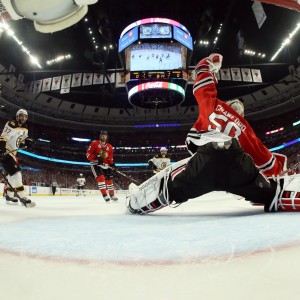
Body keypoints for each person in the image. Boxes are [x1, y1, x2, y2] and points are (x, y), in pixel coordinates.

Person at [127, 53, 299, 214]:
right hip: (236, 166)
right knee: (271, 193)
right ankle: (278, 194)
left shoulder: (214, 105)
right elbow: (265, 161)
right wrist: (275, 172)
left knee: (172, 187)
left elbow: (201, 83)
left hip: (206, 162)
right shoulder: (245, 129)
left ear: (227, 104)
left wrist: (209, 64)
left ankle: (137, 203)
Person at [0, 109, 35, 207]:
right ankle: (22, 196)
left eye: (25, 116)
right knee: (16, 174)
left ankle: (9, 196)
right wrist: (1, 150)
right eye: (21, 115)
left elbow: (22, 140)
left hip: (12, 153)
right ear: (17, 116)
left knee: (12, 175)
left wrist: (28, 142)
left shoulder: (25, 128)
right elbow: (3, 138)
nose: (23, 118)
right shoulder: (11, 124)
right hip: (6, 152)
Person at [86, 130, 118, 203]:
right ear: (100, 136)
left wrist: (112, 165)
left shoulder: (110, 146)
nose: (103, 136)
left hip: (105, 165)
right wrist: (97, 156)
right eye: (102, 135)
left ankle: (112, 195)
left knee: (109, 180)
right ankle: (105, 195)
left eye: (105, 135)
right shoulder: (94, 143)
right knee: (101, 178)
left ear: (107, 137)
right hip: (96, 164)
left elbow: (110, 158)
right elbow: (88, 155)